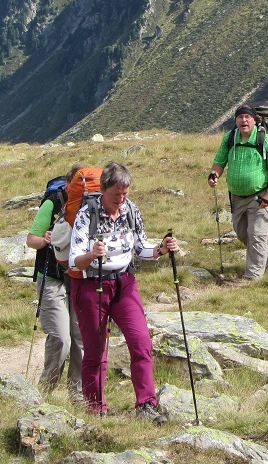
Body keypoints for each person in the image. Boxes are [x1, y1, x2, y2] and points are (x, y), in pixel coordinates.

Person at [68, 161, 178, 420]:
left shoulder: (131, 211)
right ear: (104, 190)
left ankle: (146, 404)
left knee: (141, 341)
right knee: (95, 350)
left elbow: (141, 249)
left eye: (125, 193)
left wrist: (161, 249)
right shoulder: (87, 214)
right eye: (116, 194)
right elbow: (74, 260)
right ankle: (95, 409)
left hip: (124, 282)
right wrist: (92, 254)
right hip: (91, 285)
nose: (121, 199)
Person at [208, 104, 268, 280]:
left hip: (261, 195)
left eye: (247, 117)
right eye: (240, 117)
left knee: (256, 235)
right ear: (236, 120)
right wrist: (214, 175)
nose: (244, 120)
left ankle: (252, 277)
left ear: (254, 120)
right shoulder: (230, 138)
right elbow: (219, 162)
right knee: (242, 232)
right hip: (237, 196)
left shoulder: (266, 140)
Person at [26, 164, 83, 397]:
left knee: (81, 339)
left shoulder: (90, 206)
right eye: (76, 185)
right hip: (51, 278)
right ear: (68, 184)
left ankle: (78, 394)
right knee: (61, 338)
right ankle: (46, 392)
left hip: (79, 278)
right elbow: (31, 240)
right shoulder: (52, 202)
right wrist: (45, 239)